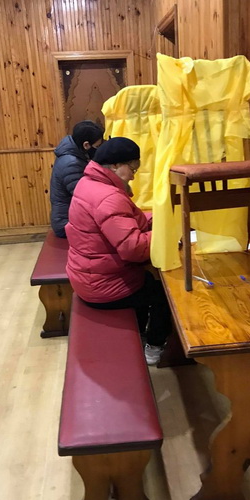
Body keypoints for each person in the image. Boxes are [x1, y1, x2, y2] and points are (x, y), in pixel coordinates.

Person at [65, 137, 172, 366]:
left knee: (148, 283)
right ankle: (154, 346)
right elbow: (134, 249)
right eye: (132, 168)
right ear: (115, 165)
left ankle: (140, 333)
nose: (133, 176)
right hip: (103, 287)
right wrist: (168, 235)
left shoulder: (89, 183)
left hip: (87, 276)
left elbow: (125, 222)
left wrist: (157, 219)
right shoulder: (109, 196)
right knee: (166, 295)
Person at [50, 120, 104, 238]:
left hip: (69, 219)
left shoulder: (74, 154)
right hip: (66, 223)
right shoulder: (71, 163)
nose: (98, 150)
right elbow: (84, 197)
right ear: (86, 145)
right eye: (97, 146)